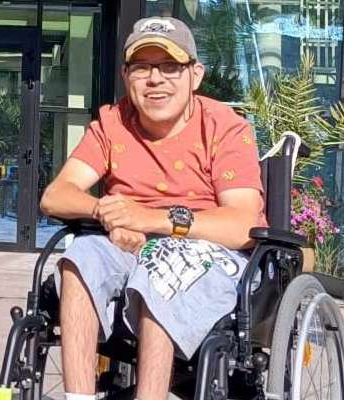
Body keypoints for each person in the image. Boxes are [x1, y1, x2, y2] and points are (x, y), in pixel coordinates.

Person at [40, 16, 265, 400]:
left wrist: (151, 220)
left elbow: (242, 223)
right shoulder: (113, 123)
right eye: (142, 67)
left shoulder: (225, 128)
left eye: (170, 66)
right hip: (127, 244)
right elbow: (55, 196)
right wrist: (108, 212)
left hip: (210, 252)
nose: (155, 79)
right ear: (126, 75)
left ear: (195, 75)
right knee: (81, 257)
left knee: (160, 269)